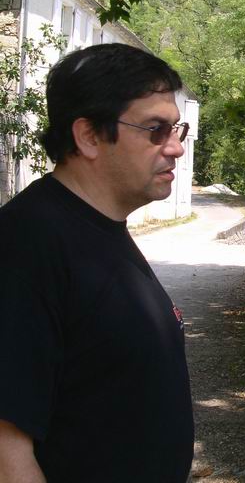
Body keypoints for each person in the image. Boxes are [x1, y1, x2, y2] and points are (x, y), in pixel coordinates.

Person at [0, 44, 195, 483]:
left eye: (176, 129)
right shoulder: (27, 244)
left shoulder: (101, 228)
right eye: (156, 130)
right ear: (88, 136)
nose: (176, 148)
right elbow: (7, 452)